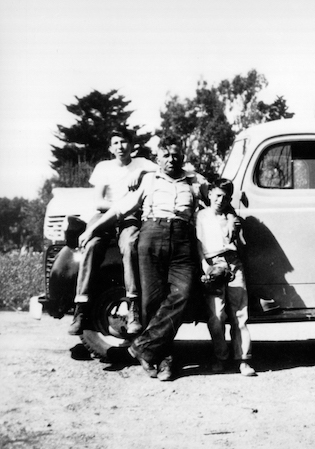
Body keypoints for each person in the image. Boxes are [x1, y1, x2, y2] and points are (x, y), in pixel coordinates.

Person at [78, 142, 208, 381]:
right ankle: (163, 360)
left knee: (184, 293)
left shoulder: (194, 182)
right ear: (158, 159)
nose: (171, 159)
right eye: (166, 155)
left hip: (182, 240)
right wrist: (92, 229)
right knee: (152, 302)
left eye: (176, 155)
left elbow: (214, 197)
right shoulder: (148, 181)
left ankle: (142, 348)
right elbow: (120, 209)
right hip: (152, 236)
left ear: (183, 157)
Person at [68, 130, 157, 336]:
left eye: (124, 142)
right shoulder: (103, 167)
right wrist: (120, 207)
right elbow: (98, 201)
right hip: (105, 215)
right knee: (90, 245)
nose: (120, 146)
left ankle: (133, 306)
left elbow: (163, 172)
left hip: (129, 217)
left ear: (131, 145)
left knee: (130, 245)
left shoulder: (142, 163)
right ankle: (81, 309)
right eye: (115, 143)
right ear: (110, 148)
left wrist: (142, 173)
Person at [196, 178, 256, 377]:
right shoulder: (200, 216)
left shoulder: (232, 217)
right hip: (213, 263)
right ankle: (220, 356)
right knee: (216, 315)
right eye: (217, 195)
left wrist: (233, 222)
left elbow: (241, 242)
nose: (220, 200)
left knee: (239, 313)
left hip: (233, 262)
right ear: (210, 193)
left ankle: (243, 359)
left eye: (225, 197)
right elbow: (198, 243)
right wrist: (204, 265)